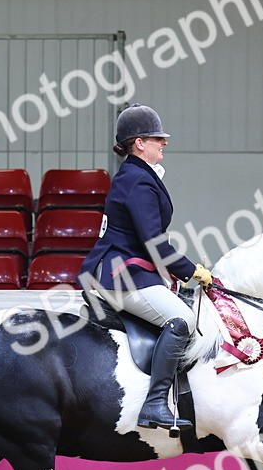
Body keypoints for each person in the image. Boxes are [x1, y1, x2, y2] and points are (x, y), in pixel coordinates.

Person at [80, 104, 213, 430]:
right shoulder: (138, 181)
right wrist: (192, 271)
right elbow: (154, 243)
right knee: (181, 320)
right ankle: (154, 404)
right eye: (157, 138)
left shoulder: (135, 177)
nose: (163, 143)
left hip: (128, 269)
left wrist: (170, 276)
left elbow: (142, 243)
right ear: (139, 142)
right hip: (120, 275)